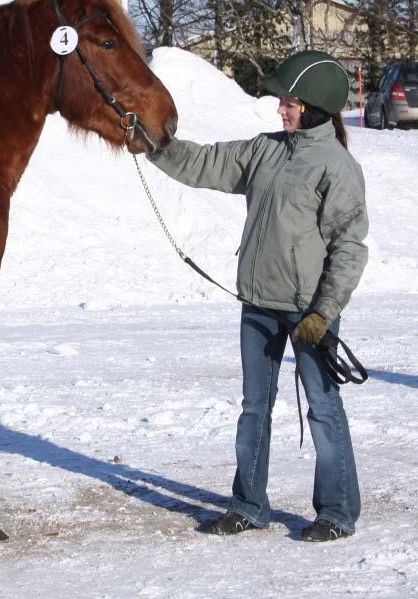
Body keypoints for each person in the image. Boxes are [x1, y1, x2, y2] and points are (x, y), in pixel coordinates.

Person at [147, 51, 368, 542]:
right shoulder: (265, 150)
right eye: (282, 102)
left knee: (323, 408)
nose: (281, 110)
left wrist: (325, 312)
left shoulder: (337, 167)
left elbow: (350, 248)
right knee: (254, 408)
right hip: (259, 304)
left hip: (309, 311)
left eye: (289, 103)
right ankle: (249, 504)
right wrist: (154, 146)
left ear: (313, 108)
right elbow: (205, 162)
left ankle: (337, 512)